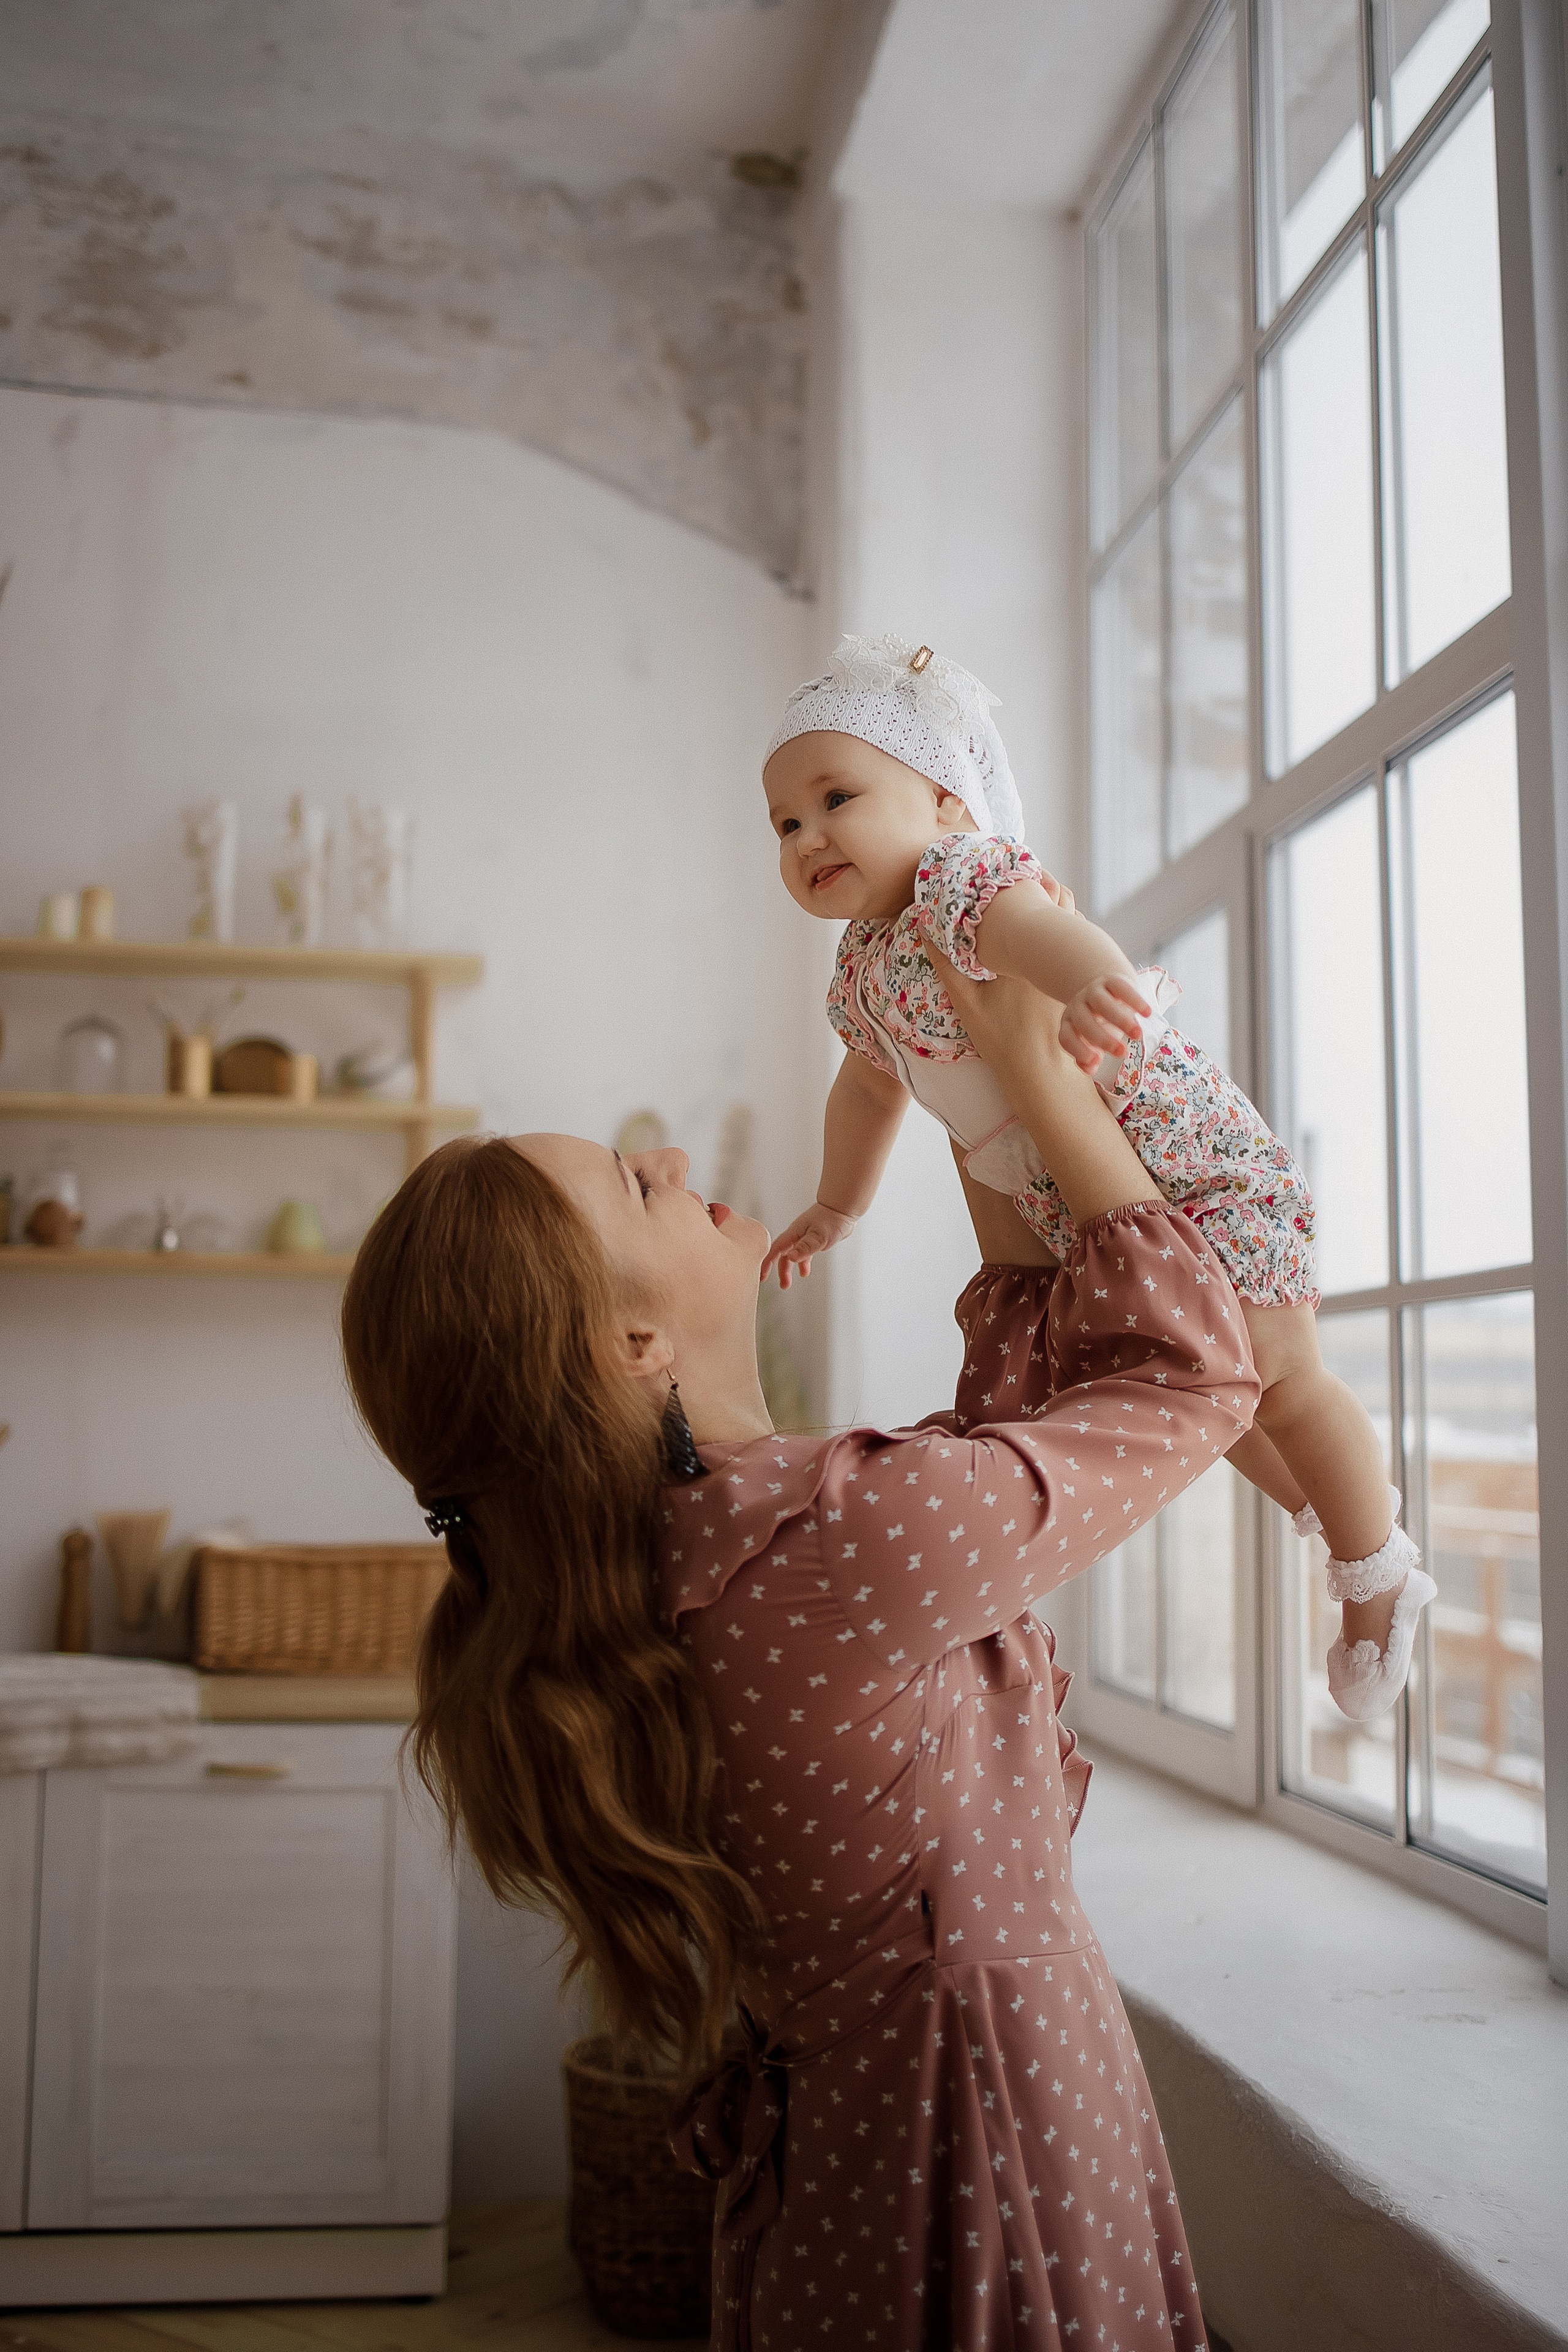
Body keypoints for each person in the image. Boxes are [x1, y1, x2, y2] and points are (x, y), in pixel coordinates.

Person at [341, 957, 1259, 2350]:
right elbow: (1189, 1375)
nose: (667, 1159)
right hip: (990, 2140)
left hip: (852, 2168)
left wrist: (981, 1107)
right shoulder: (837, 1542)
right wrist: (1037, 1078)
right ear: (635, 1341)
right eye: (633, 1186)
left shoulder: (686, 1567)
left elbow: (1010, 1424)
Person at [761, 630, 1435, 1722]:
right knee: (1216, 1399)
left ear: (945, 801)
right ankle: (1350, 1524)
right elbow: (867, 1094)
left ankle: (1379, 1577)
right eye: (785, 824)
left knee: (1281, 1373)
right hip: (1090, 1211)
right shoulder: (860, 974)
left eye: (836, 798)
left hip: (1193, 1170)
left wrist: (1094, 988)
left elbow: (1045, 931)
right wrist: (840, 1202)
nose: (808, 837)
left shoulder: (957, 880)